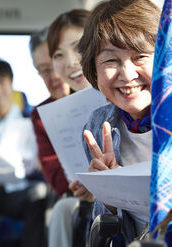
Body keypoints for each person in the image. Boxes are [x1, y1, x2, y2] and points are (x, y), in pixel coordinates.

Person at [78, 0, 160, 243]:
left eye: (140, 57)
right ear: (93, 69)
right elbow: (106, 229)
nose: (127, 74)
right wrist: (110, 196)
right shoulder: (97, 126)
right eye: (110, 61)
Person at [0, 58, 48, 247]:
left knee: (39, 193)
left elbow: (40, 164)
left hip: (18, 191)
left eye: (1, 83)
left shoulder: (31, 121)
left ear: (11, 84)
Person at [45, 9, 93, 247]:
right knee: (65, 208)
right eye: (58, 54)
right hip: (87, 198)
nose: (71, 62)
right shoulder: (57, 116)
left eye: (78, 47)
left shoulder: (126, 94)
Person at [29, 27, 71, 196]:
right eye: (45, 70)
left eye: (57, 61)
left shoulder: (104, 95)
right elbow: (55, 178)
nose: (54, 75)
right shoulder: (40, 116)